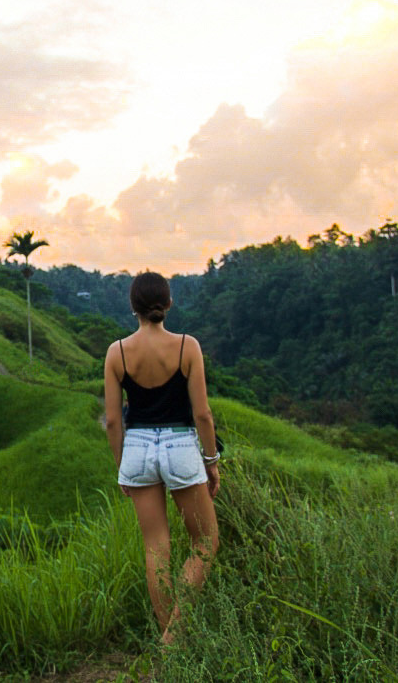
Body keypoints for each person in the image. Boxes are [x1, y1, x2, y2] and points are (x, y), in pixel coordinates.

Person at [103, 271, 220, 645]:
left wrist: (123, 466)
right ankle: (175, 640)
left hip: (136, 448)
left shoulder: (117, 352)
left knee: (156, 547)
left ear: (132, 307)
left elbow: (111, 421)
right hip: (180, 446)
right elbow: (202, 414)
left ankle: (169, 641)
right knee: (204, 542)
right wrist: (211, 459)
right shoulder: (188, 346)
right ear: (168, 304)